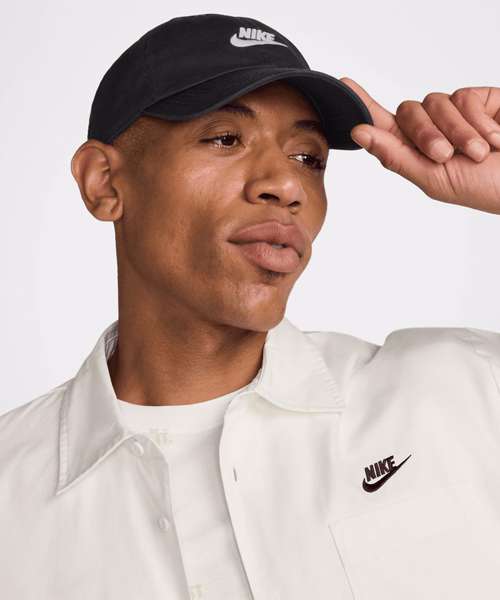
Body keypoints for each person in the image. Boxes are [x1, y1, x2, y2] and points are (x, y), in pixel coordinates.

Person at [1, 12, 500, 600]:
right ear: (104, 182)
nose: (285, 185)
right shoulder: (12, 492)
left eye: (308, 158)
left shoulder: (462, 390)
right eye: (225, 138)